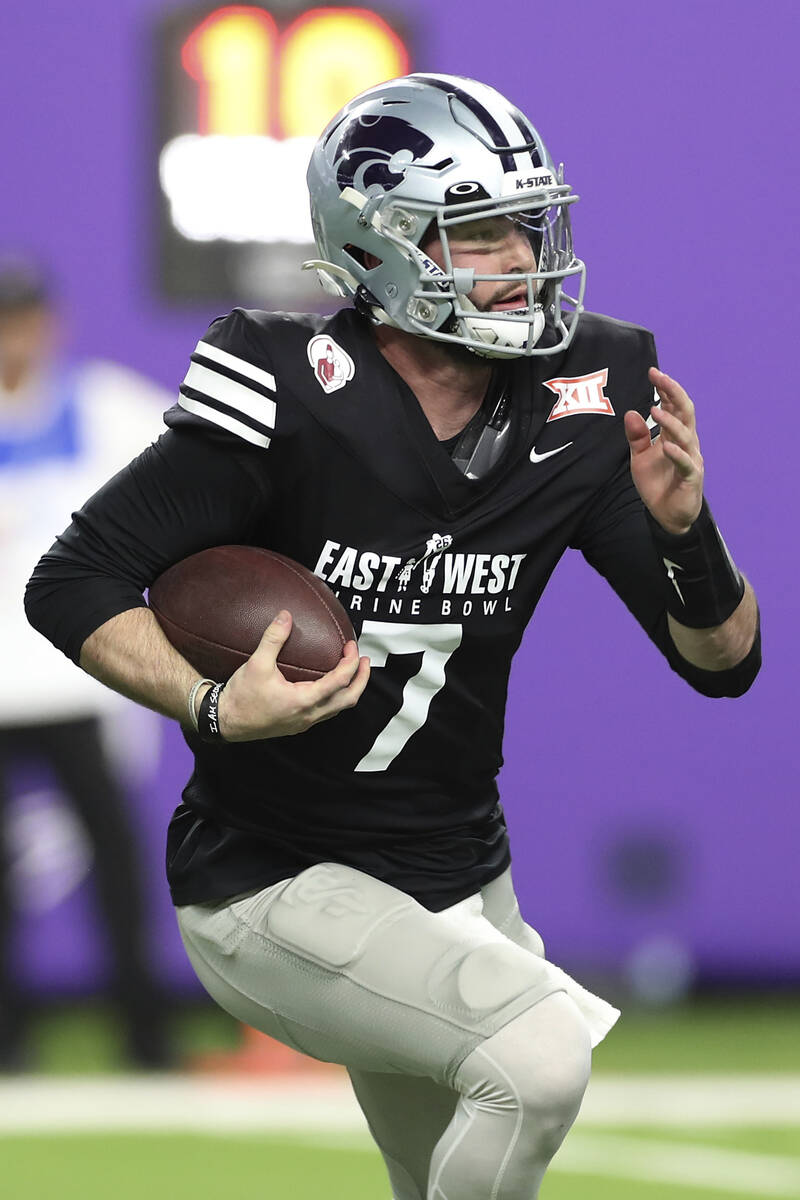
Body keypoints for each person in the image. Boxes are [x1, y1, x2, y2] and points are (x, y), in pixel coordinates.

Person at [26, 75, 760, 1197]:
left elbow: (722, 662)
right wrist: (211, 701)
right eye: (475, 234)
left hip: (460, 874)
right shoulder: (291, 389)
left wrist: (684, 528)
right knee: (538, 1054)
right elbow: (72, 581)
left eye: (523, 226)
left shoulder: (581, 396)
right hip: (277, 880)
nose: (517, 257)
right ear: (379, 245)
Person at [0, 258, 172, 1069]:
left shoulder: (106, 407)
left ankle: (145, 1036)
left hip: (76, 679)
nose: (13, 335)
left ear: (48, 322)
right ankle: (9, 1042)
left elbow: (206, 459)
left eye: (23, 316)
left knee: (117, 864)